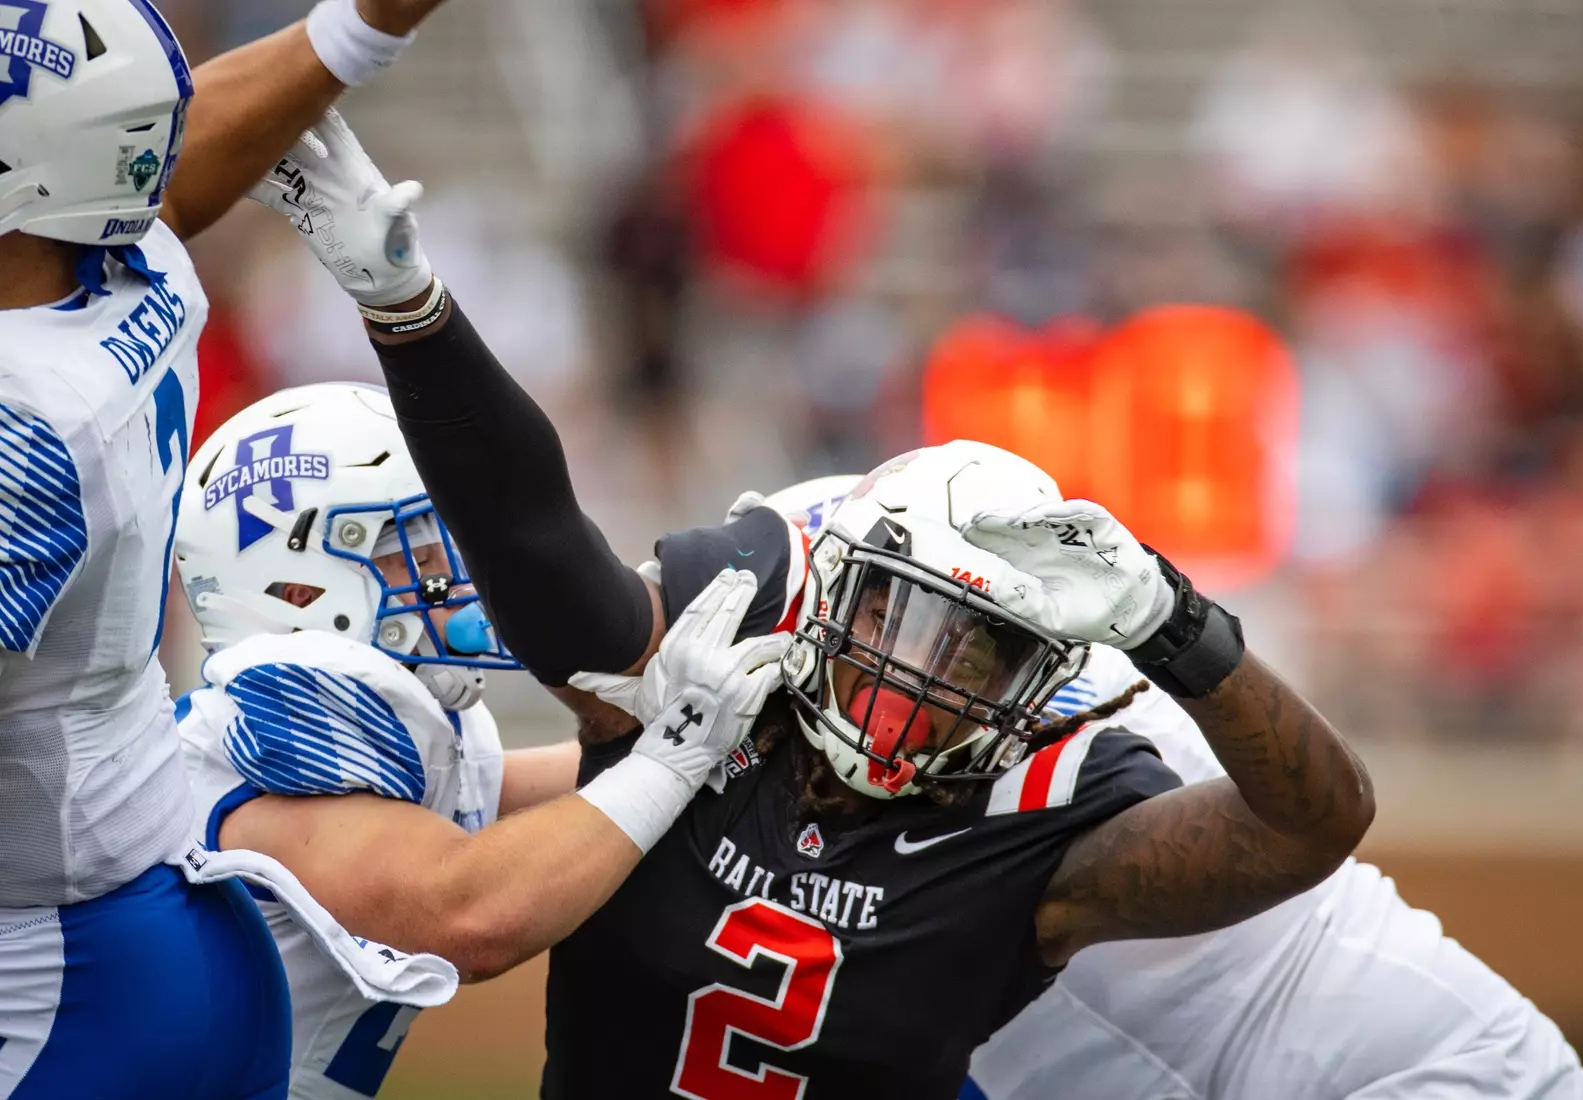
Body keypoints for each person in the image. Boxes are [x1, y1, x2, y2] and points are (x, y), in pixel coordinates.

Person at [253, 116, 1378, 1100]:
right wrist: (409, 307)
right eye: (905, 613)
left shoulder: (1039, 821)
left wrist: (1174, 624)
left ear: (1037, 678)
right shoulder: (715, 678)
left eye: (984, 647)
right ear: (837, 584)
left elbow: (1315, 821)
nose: (928, 668)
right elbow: (539, 542)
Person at [763, 478, 1583, 1100]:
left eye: (957, 643)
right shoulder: (787, 644)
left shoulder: (1077, 753)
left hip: (1408, 1069)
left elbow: (1317, 819)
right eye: (884, 621)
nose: (911, 665)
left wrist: (1179, 631)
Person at [0, 2, 454, 1095]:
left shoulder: (25, 424)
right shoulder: (117, 266)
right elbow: (169, 163)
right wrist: (357, 28)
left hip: (54, 974)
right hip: (135, 914)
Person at [169, 381, 779, 1100]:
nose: (456, 575)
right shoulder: (275, 732)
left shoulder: (395, 733)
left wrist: (736, 716)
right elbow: (466, 915)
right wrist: (672, 754)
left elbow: (569, 786)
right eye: (416, 547)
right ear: (299, 588)